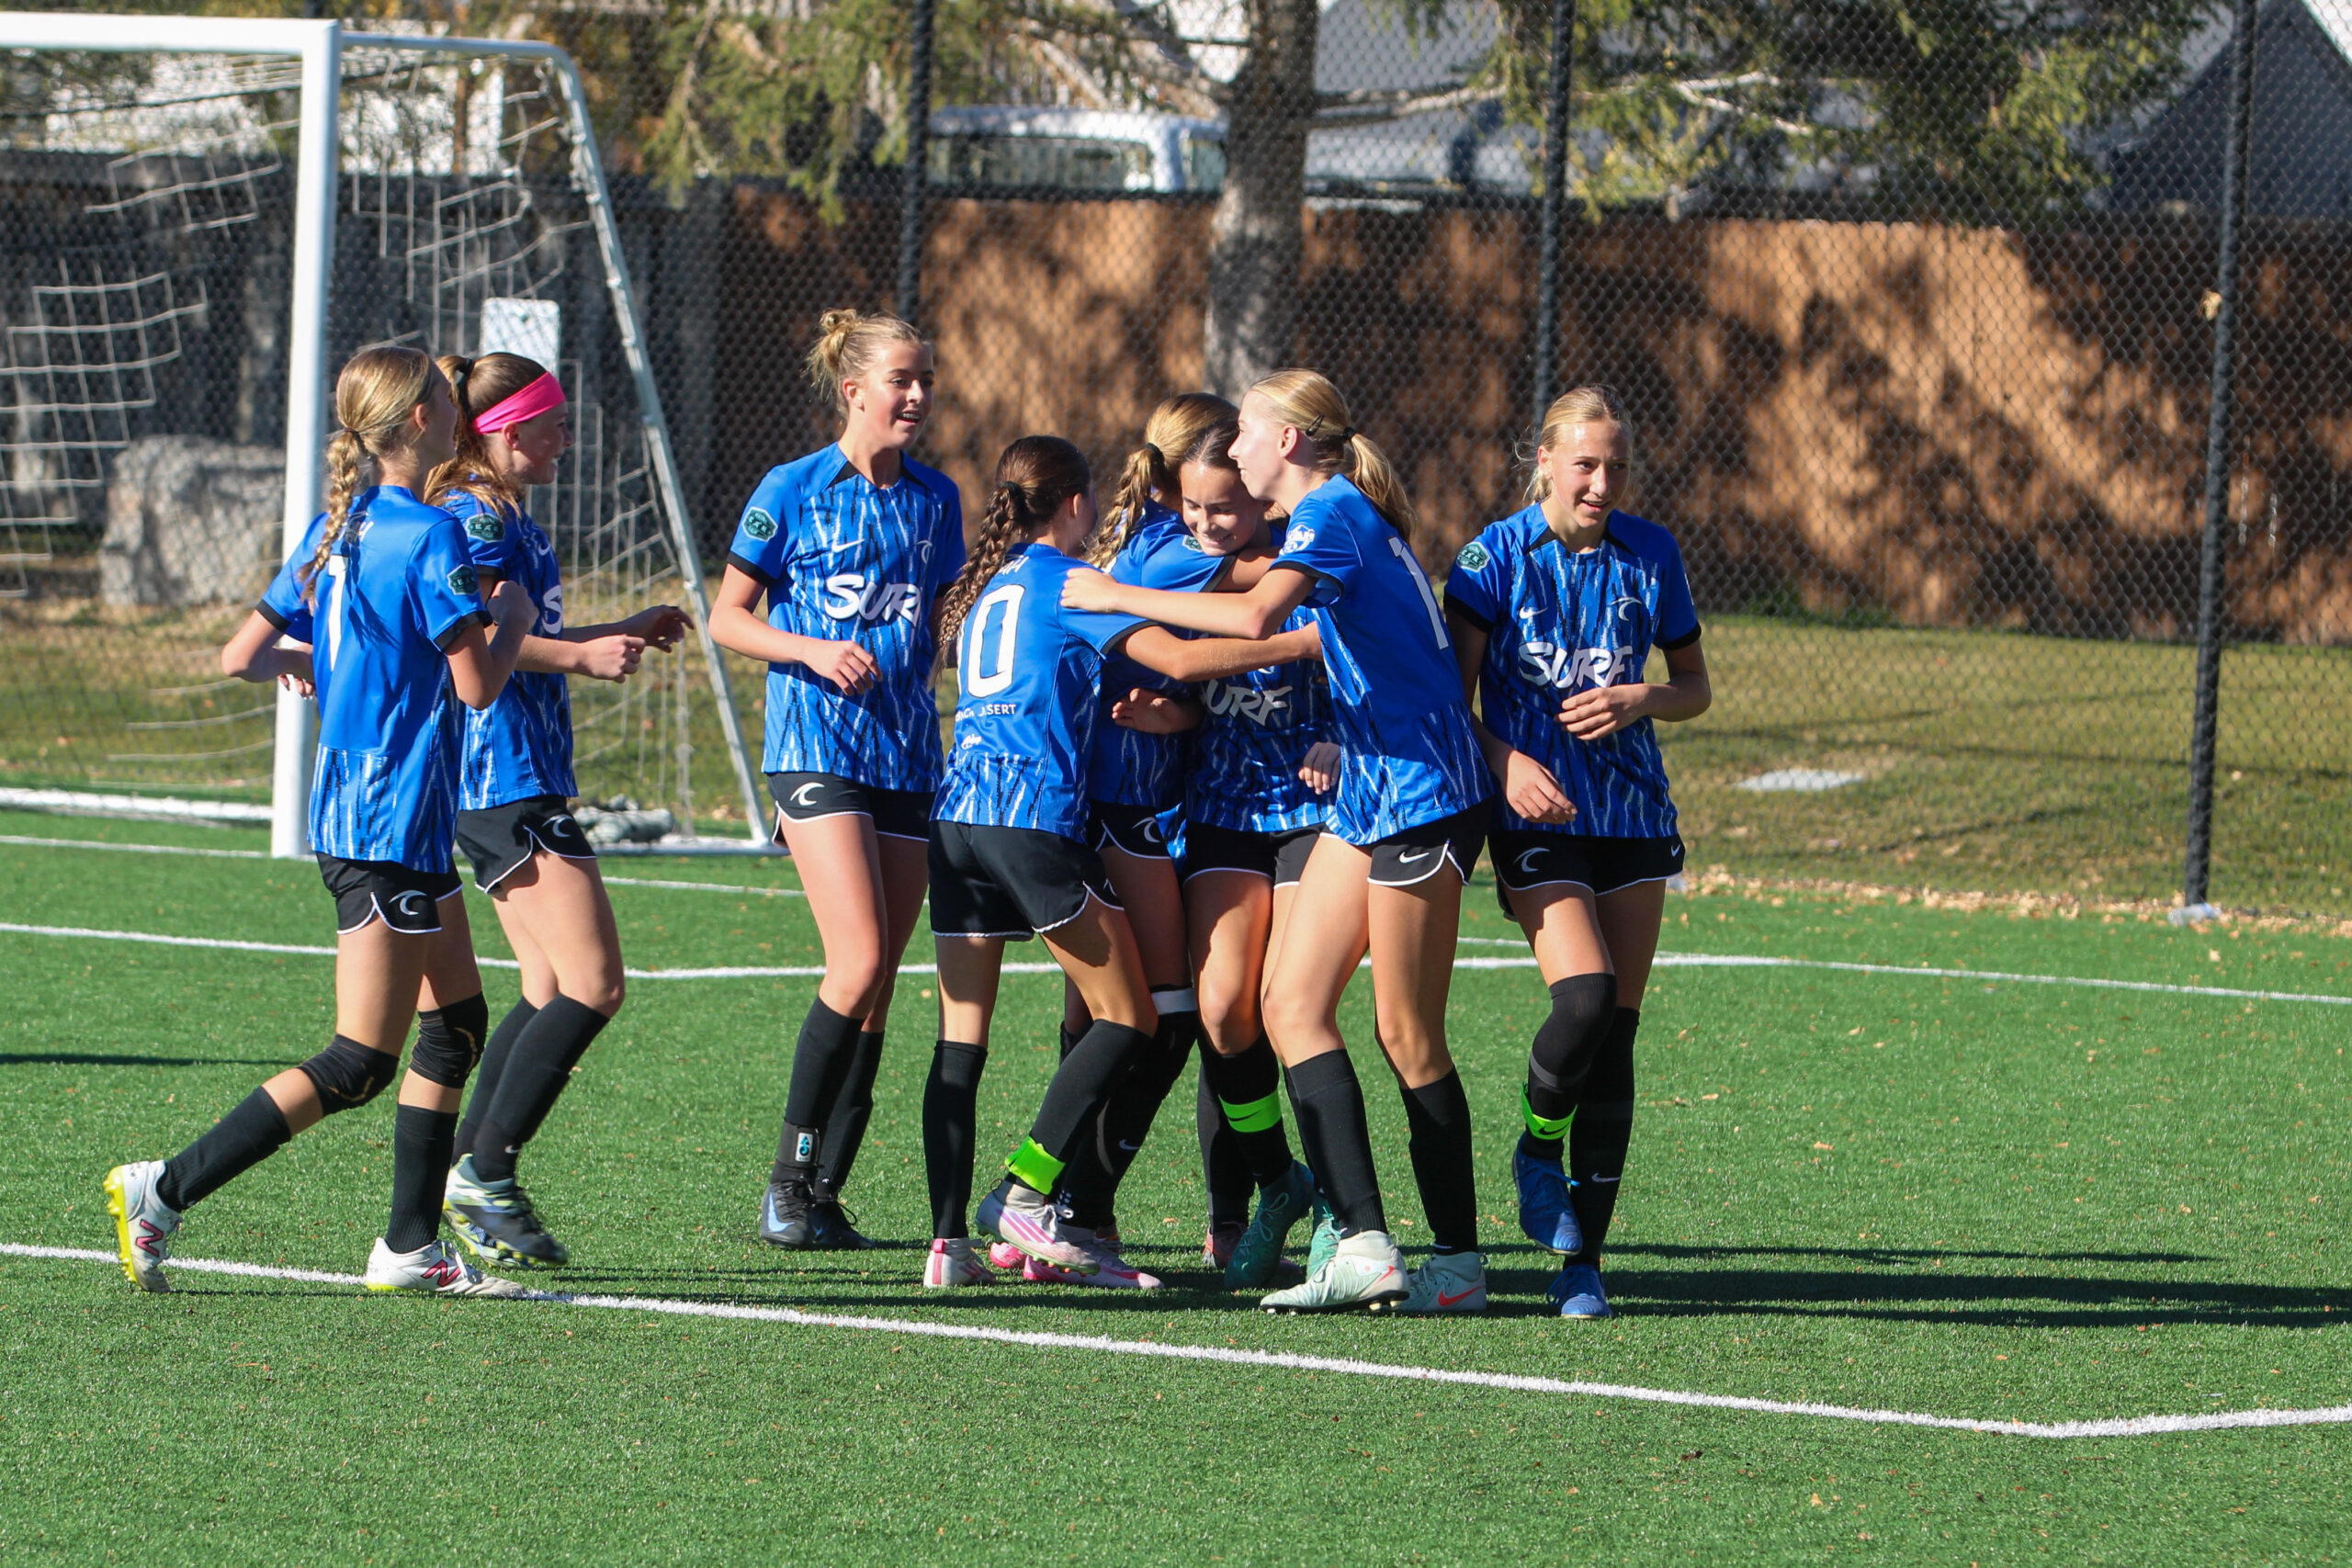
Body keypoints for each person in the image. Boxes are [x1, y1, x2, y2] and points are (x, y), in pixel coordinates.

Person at [103, 345, 534, 1298]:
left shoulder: (335, 525)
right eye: (441, 394)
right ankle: (162, 1190)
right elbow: (476, 684)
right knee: (357, 1061)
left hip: (374, 818)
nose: (453, 405)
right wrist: (512, 612)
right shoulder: (429, 537)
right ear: (422, 420)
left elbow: (240, 655)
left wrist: (309, 659)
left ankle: (409, 1246)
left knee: (458, 1026)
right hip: (388, 825)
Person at [1063, 369, 1494, 1314]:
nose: (1236, 445)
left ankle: (1458, 1264)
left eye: (1248, 432)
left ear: (1288, 443)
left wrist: (1106, 596)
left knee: (1405, 1033)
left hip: (1423, 794)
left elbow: (1260, 619)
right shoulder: (1324, 517)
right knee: (1287, 1006)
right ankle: (1365, 1244)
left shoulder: (1330, 511)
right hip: (1371, 795)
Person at [921, 435, 1316, 1290]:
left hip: (955, 817)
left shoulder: (992, 578)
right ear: (1072, 503)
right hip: (1032, 819)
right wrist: (1299, 643)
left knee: (964, 1037)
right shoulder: (1070, 580)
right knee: (1136, 1018)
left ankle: (951, 1245)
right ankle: (1028, 1192)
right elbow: (1175, 655)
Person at [1443, 385, 1710, 1319]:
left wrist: (1643, 700)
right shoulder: (1492, 557)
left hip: (1633, 814)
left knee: (1619, 1036)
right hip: (1539, 820)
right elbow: (1450, 703)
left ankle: (1583, 1263)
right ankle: (1532, 1148)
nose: (1601, 482)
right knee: (1584, 997)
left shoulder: (1653, 553)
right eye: (1585, 463)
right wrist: (1506, 760)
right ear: (1545, 461)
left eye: (1616, 467)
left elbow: (1694, 686)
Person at [426, 351, 690, 1270]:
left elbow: (521, 635)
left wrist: (612, 633)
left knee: (546, 988)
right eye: (553, 423)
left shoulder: (507, 514)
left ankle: (469, 1168)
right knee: (594, 985)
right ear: (505, 429)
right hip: (503, 778)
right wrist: (576, 659)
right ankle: (484, 1175)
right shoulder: (477, 514)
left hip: (512, 779)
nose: (567, 439)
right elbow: (482, 650)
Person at [708, 310, 964, 1252]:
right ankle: (784, 1180)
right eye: (901, 379)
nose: (918, 396)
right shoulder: (792, 488)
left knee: (881, 981)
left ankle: (823, 1191)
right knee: (854, 961)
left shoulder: (937, 499)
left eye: (926, 379)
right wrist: (811, 649)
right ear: (853, 389)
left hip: (905, 757)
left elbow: (931, 625)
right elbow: (728, 617)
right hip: (816, 746)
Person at [1023, 393, 1238, 1280]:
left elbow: (1174, 683)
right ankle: (1069, 1208)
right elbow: (1208, 642)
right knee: (1164, 1020)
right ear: (1187, 478)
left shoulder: (1142, 536)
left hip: (1121, 811)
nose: (1218, 520)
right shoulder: (1173, 554)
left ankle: (1055, 1211)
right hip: (1126, 814)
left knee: (1099, 1022)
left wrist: (1184, 714)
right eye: (1213, 500)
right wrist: (1306, 624)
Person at [1161, 415, 1338, 1289]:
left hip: (1311, 812)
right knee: (1224, 1007)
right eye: (1193, 507)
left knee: (1288, 1006)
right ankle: (1278, 1185)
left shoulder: (1304, 564)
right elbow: (1170, 677)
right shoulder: (1172, 572)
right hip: (1223, 813)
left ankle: (1346, 1214)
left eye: (1224, 507)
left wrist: (1342, 738)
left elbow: (1382, 661)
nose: (1207, 523)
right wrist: (1169, 714)